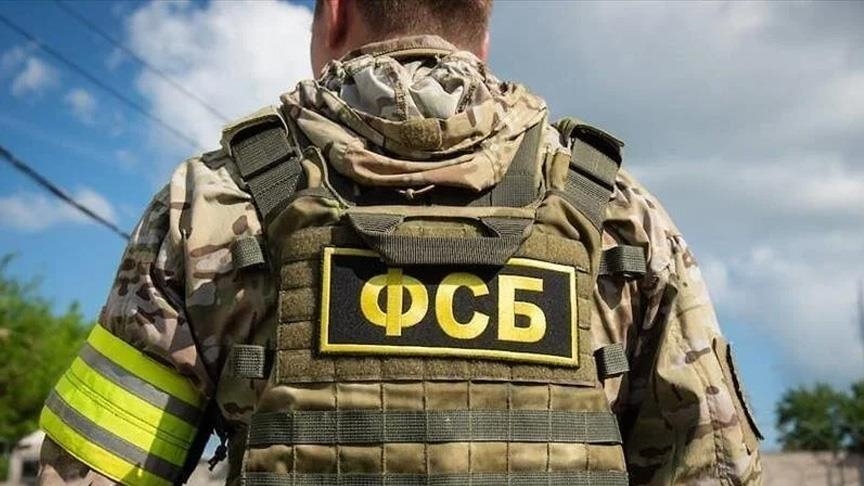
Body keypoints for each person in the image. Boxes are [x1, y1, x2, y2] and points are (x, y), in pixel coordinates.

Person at [37, 0, 763, 484]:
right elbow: (717, 465)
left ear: (334, 12)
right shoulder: (616, 211)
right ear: (482, 32)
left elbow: (96, 468)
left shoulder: (213, 203)